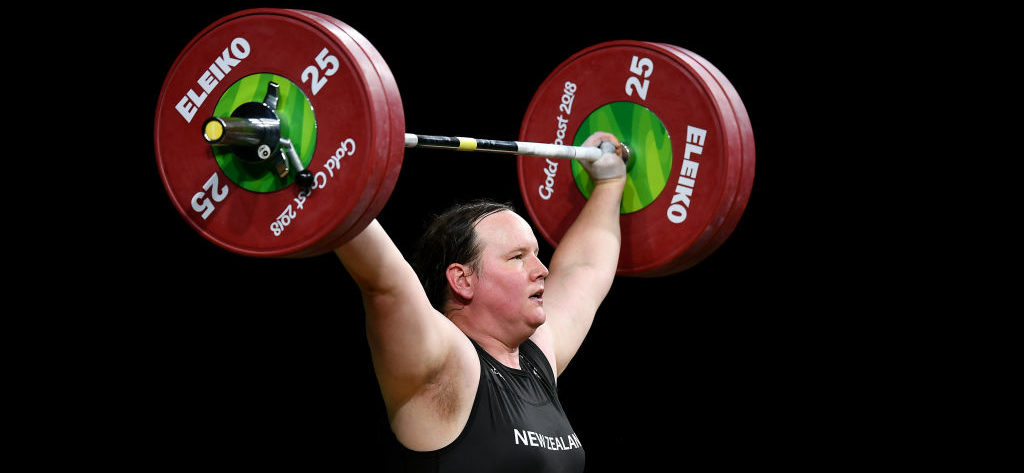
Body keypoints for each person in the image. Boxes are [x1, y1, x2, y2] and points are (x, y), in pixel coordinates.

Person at [334, 132, 627, 472]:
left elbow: (584, 269)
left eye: (536, 254)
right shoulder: (445, 364)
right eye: (517, 257)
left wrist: (609, 182)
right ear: (462, 280)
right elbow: (385, 282)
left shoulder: (535, 358)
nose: (542, 270)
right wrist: (326, 177)